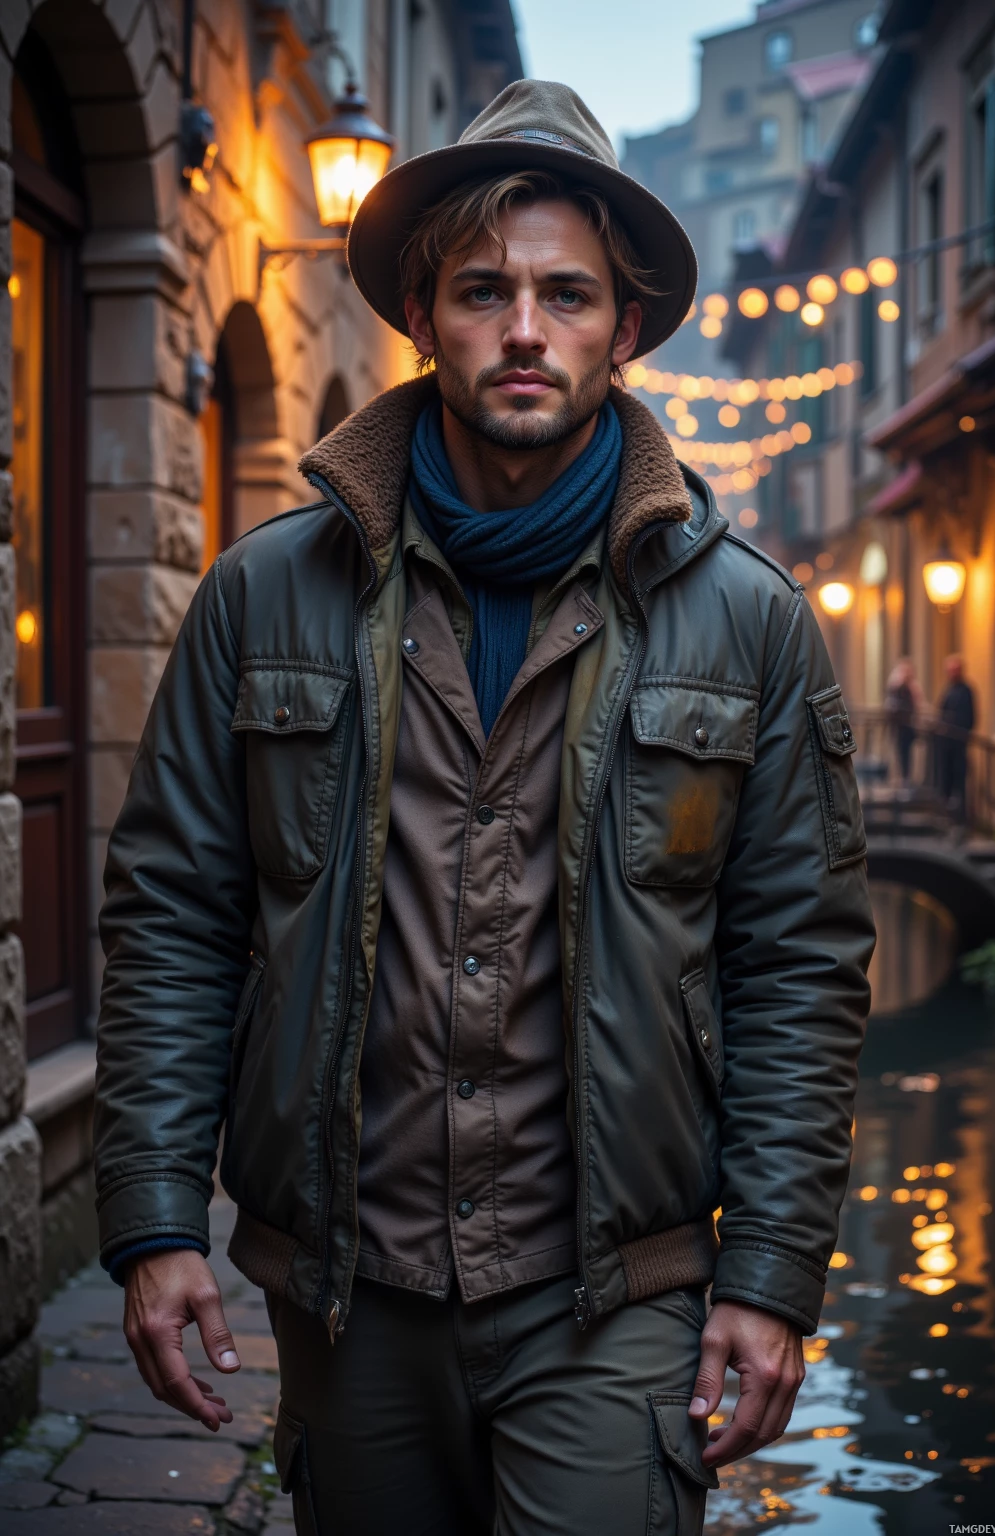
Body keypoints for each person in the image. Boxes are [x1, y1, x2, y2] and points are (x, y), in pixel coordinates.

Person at [94, 80, 875, 1536]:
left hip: (614, 1293)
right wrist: (152, 1219)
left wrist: (769, 1275)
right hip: (351, 1291)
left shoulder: (750, 624)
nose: (526, 329)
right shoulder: (267, 593)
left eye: (567, 294)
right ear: (420, 313)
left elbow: (801, 967)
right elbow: (173, 917)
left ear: (624, 329)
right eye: (484, 290)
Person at [937, 654, 975, 823]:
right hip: (945, 745)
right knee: (946, 780)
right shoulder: (948, 690)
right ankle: (947, 816)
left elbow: (970, 718)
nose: (951, 673)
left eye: (954, 670)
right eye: (949, 670)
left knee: (959, 780)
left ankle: (961, 818)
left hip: (958, 744)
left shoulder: (966, 691)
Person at [885, 656, 921, 786]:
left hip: (908, 725)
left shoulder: (912, 687)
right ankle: (901, 777)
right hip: (899, 725)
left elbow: (917, 704)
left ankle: (907, 778)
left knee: (907, 753)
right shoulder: (897, 686)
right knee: (900, 751)